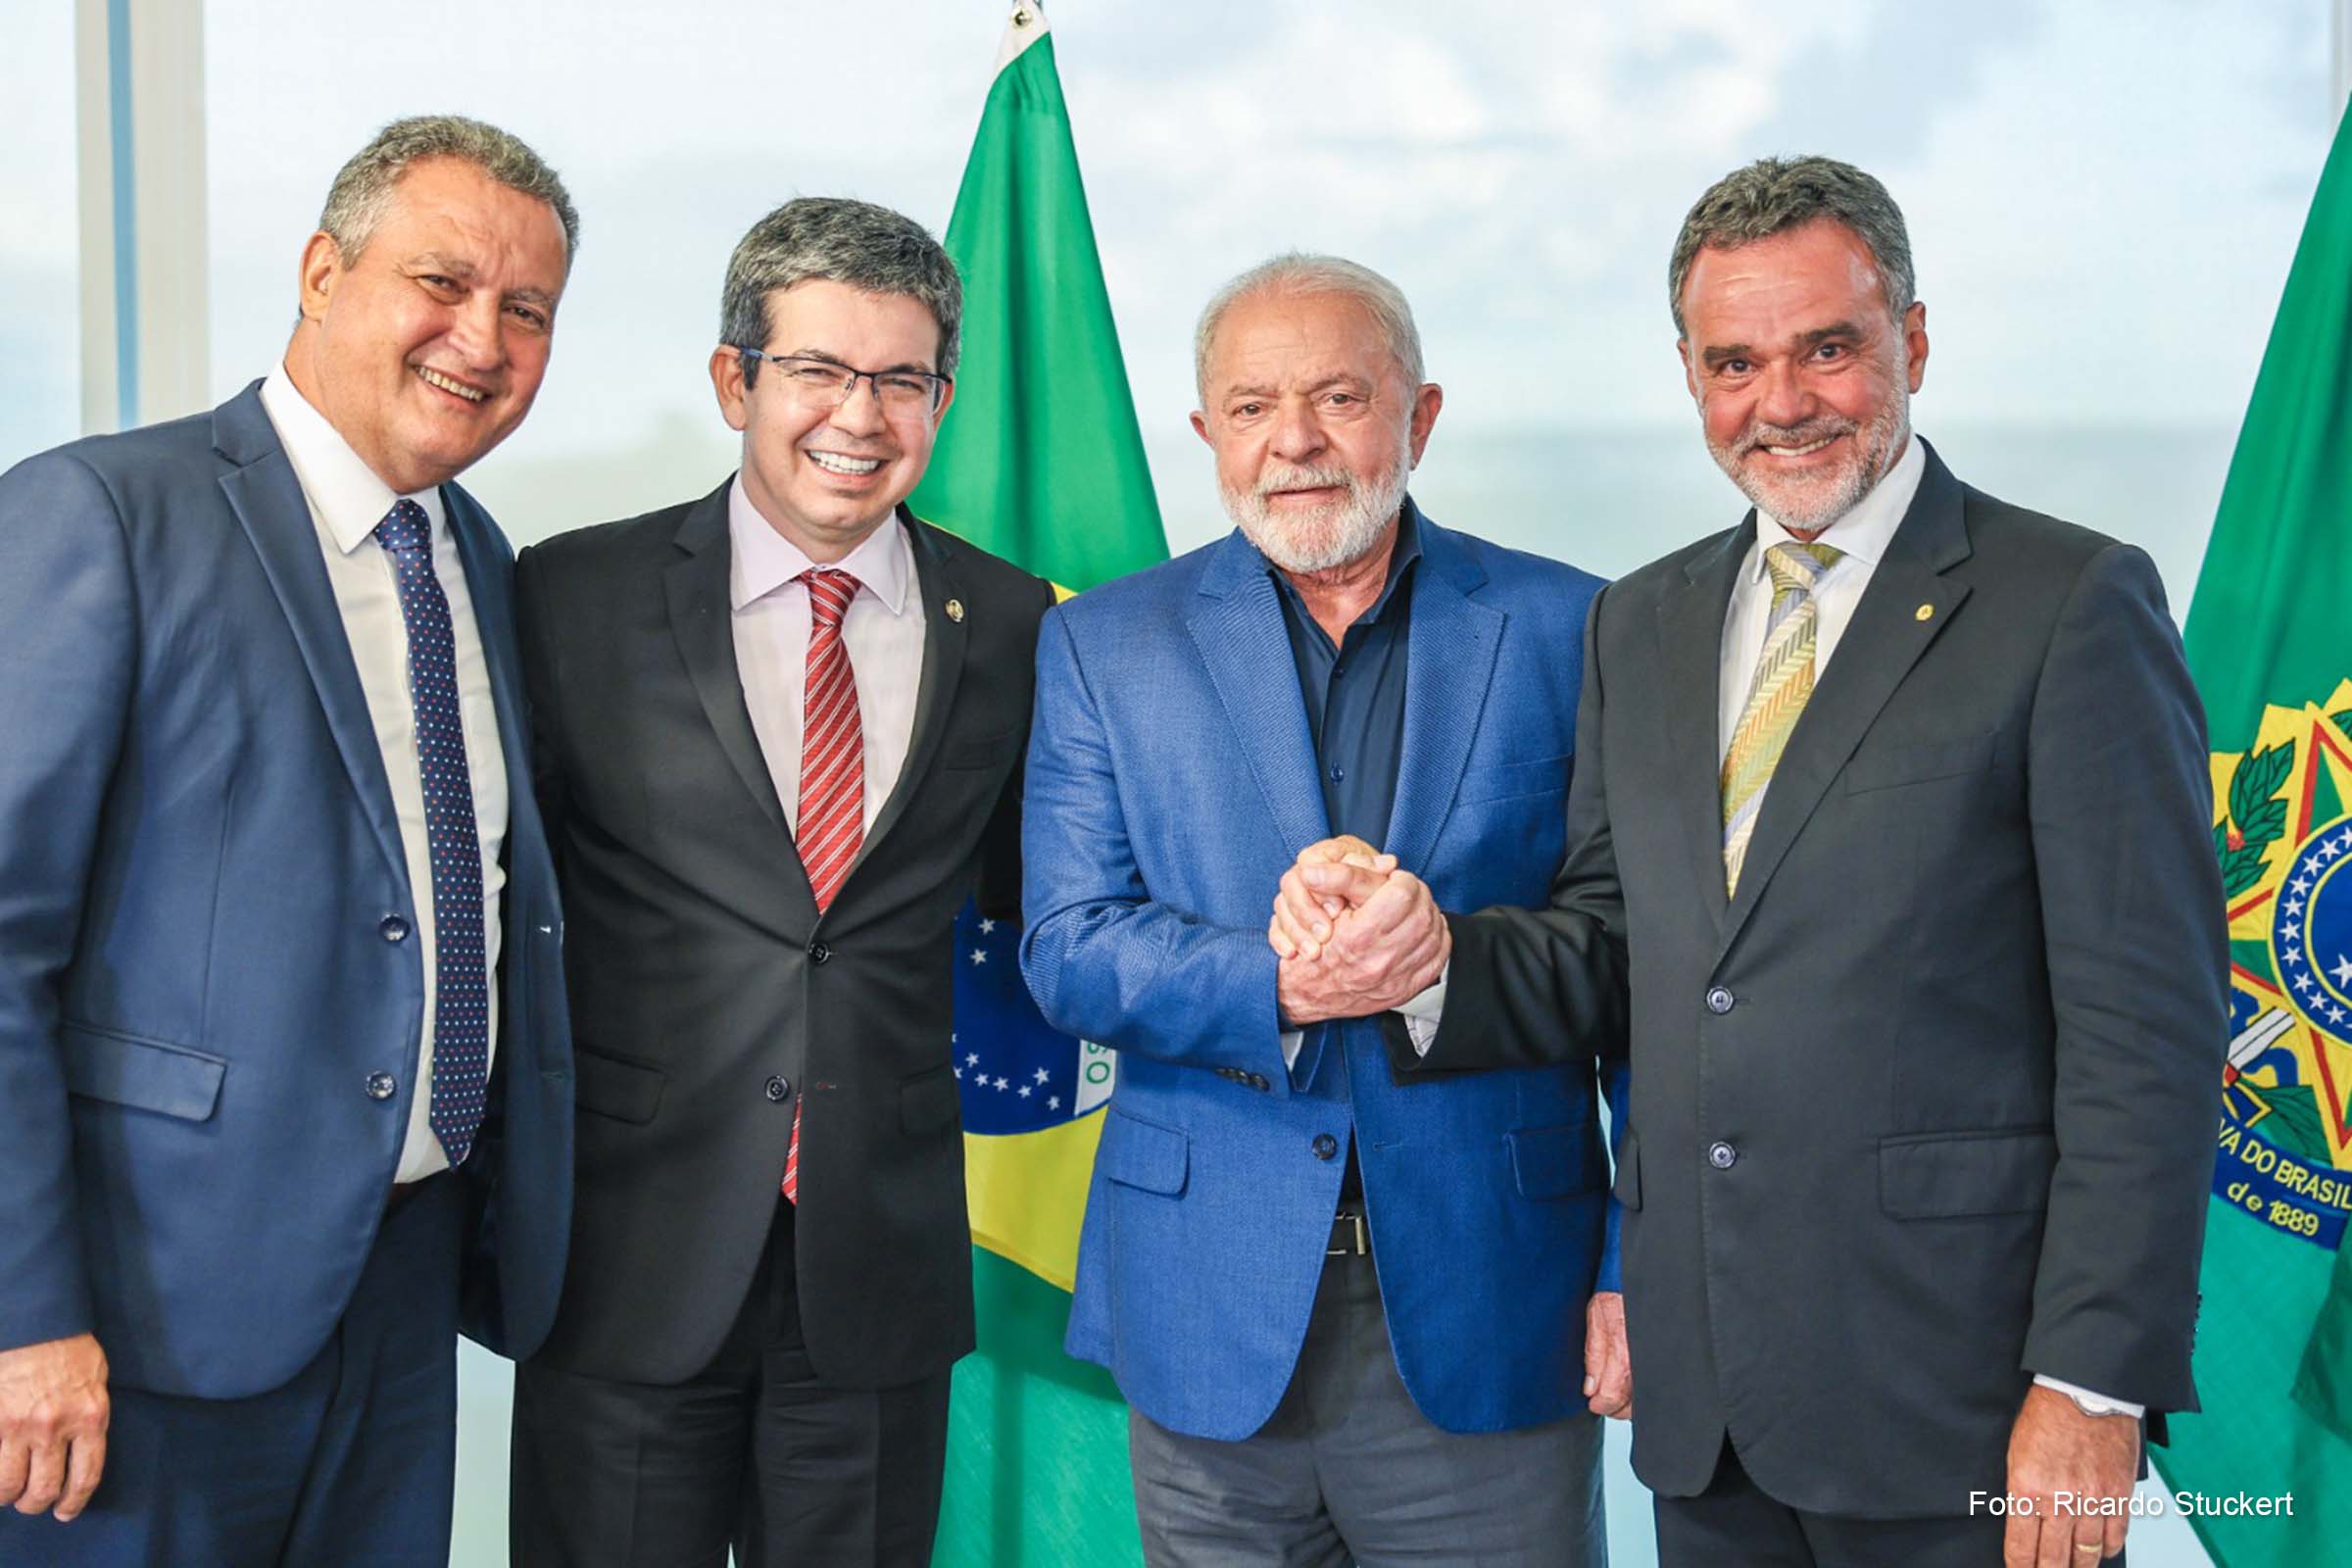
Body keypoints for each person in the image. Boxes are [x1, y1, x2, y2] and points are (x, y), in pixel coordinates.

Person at [1275, 157, 2227, 1567]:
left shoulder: (2071, 603)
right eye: (1734, 362)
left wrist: (2094, 1381)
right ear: (1688, 374)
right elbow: (1614, 947)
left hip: (1961, 1394)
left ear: (1911, 338)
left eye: (1826, 349)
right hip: (1705, 1394)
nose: (1779, 404)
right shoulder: (1644, 621)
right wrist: (1430, 960)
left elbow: (2149, 1029)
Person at [0, 115, 579, 1565]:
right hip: (143, 1320)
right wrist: (23, 1319)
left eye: (527, 311)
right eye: (439, 282)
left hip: (402, 1287)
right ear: (324, 272)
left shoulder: (482, 561)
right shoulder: (106, 514)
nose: (481, 338)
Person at [1021, 253, 1630, 1567]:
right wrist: (1285, 982)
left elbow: (1639, 953)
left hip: (1495, 1297)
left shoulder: (1575, 625)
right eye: (1250, 407)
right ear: (1205, 435)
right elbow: (1067, 947)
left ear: (1421, 416)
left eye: (1339, 397)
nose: (1292, 441)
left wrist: (1437, 967)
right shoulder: (1102, 644)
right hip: (1204, 1308)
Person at [507, 196, 1055, 1568]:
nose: (859, 416)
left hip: (878, 1269)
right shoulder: (569, 597)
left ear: (942, 397)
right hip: (626, 1265)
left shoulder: (1013, 624)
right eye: (818, 369)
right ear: (735, 380)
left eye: (903, 379)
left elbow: (1033, 896)